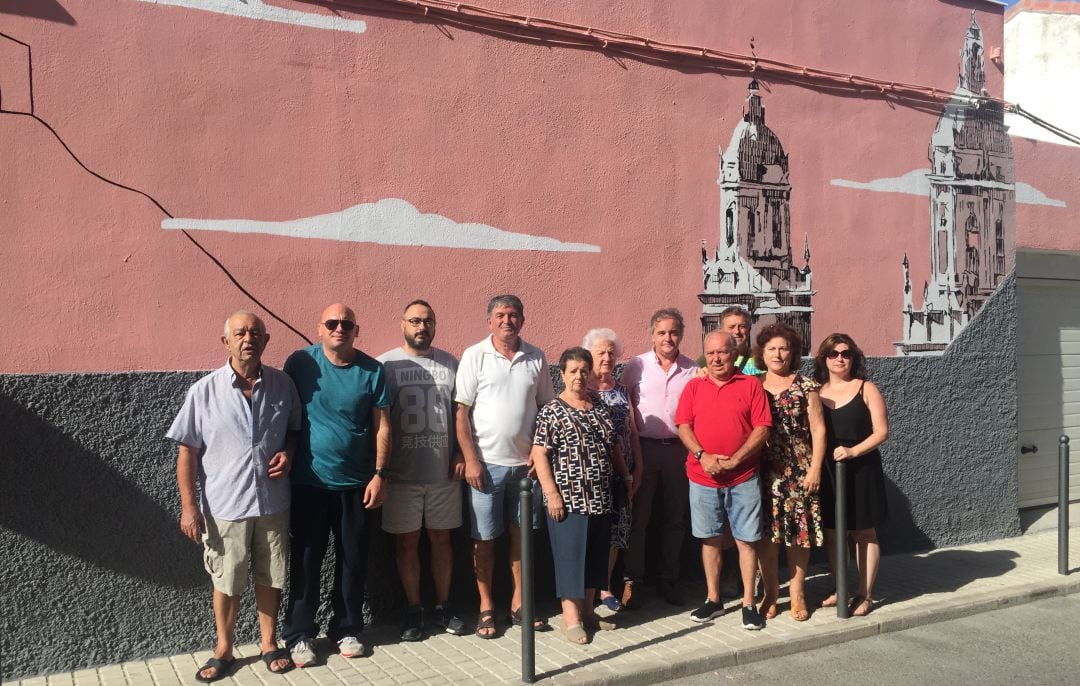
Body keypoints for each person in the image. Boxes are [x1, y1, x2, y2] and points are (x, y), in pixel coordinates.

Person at [167, 311, 300, 682]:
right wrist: (189, 507)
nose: (248, 338)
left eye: (255, 332)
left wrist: (288, 453)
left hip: (273, 502)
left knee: (271, 575)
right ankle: (223, 649)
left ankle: (269, 643)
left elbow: (294, 430)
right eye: (240, 333)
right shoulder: (204, 391)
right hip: (225, 506)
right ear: (225, 341)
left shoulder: (282, 385)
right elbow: (187, 452)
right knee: (226, 580)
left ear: (266, 340)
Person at [282, 304, 391, 666]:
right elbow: (285, 414)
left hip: (357, 485)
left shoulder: (373, 371)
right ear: (320, 328)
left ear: (356, 330)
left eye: (346, 324)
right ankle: (299, 635)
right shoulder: (300, 363)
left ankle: (346, 629)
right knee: (306, 560)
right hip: (309, 484)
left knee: (353, 561)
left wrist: (380, 474)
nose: (339, 328)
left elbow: (383, 426)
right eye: (332, 323)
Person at [455, 295, 555, 638]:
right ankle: (485, 607)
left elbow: (546, 409)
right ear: (489, 322)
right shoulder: (474, 355)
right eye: (500, 315)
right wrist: (470, 459)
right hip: (486, 467)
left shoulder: (536, 357)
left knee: (521, 538)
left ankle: (519, 604)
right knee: (483, 540)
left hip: (526, 470)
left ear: (522, 320)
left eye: (513, 315)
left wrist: (540, 451)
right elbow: (461, 413)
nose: (507, 321)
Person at [377, 300, 467, 641]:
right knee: (406, 544)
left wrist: (460, 452)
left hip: (443, 474)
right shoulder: (385, 365)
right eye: (415, 320)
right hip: (401, 476)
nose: (422, 327)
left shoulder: (449, 363)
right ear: (402, 325)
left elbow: (462, 415)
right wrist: (381, 470)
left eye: (428, 320)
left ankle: (443, 607)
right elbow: (378, 422)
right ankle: (413, 610)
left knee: (443, 541)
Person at [531, 347, 631, 644]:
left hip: (600, 496)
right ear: (561, 374)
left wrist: (625, 476)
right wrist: (551, 494)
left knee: (595, 558)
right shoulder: (553, 410)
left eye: (584, 370)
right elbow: (539, 454)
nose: (579, 376)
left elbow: (613, 446)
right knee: (570, 558)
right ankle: (571, 618)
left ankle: (589, 613)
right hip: (569, 499)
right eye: (572, 370)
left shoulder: (599, 405)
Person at [675, 331, 771, 629]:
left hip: (743, 476)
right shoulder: (694, 386)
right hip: (702, 476)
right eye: (711, 353)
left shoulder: (751, 385)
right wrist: (703, 456)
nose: (717, 358)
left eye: (723, 352)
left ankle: (748, 603)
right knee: (710, 539)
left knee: (747, 540)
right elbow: (683, 426)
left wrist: (736, 459)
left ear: (734, 353)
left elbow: (762, 428)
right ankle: (713, 600)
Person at [621, 308, 699, 607]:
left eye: (673, 332)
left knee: (674, 519)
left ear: (681, 334)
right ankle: (633, 580)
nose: (668, 338)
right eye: (662, 332)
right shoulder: (636, 366)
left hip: (680, 450)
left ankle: (669, 579)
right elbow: (624, 405)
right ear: (652, 334)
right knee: (639, 519)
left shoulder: (692, 370)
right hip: (644, 450)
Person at [753, 323, 826, 623]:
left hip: (799, 471)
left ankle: (797, 595)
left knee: (798, 537)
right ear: (762, 353)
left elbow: (819, 431)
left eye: (783, 348)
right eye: (771, 348)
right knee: (767, 538)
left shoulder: (806, 387)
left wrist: (815, 469)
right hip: (764, 471)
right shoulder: (752, 385)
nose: (778, 353)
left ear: (792, 352)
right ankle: (770, 593)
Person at [814, 333, 889, 617]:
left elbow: (881, 431)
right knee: (833, 534)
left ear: (853, 357)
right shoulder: (816, 393)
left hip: (861, 470)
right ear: (824, 359)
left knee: (864, 532)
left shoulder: (866, 389)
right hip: (829, 472)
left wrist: (853, 452)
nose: (839, 358)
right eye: (833, 354)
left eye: (845, 353)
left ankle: (864, 593)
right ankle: (841, 586)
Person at [583, 328, 643, 612]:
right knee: (593, 532)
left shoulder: (621, 389)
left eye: (611, 353)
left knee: (617, 532)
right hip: (591, 475)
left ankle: (605, 587)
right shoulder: (579, 389)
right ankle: (587, 593)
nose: (607, 358)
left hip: (623, 475)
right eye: (600, 353)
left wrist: (638, 467)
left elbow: (631, 433)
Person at [719, 305, 761, 374]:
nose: (737, 331)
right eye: (731, 327)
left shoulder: (761, 359)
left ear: (749, 330)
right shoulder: (709, 360)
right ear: (721, 331)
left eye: (742, 327)